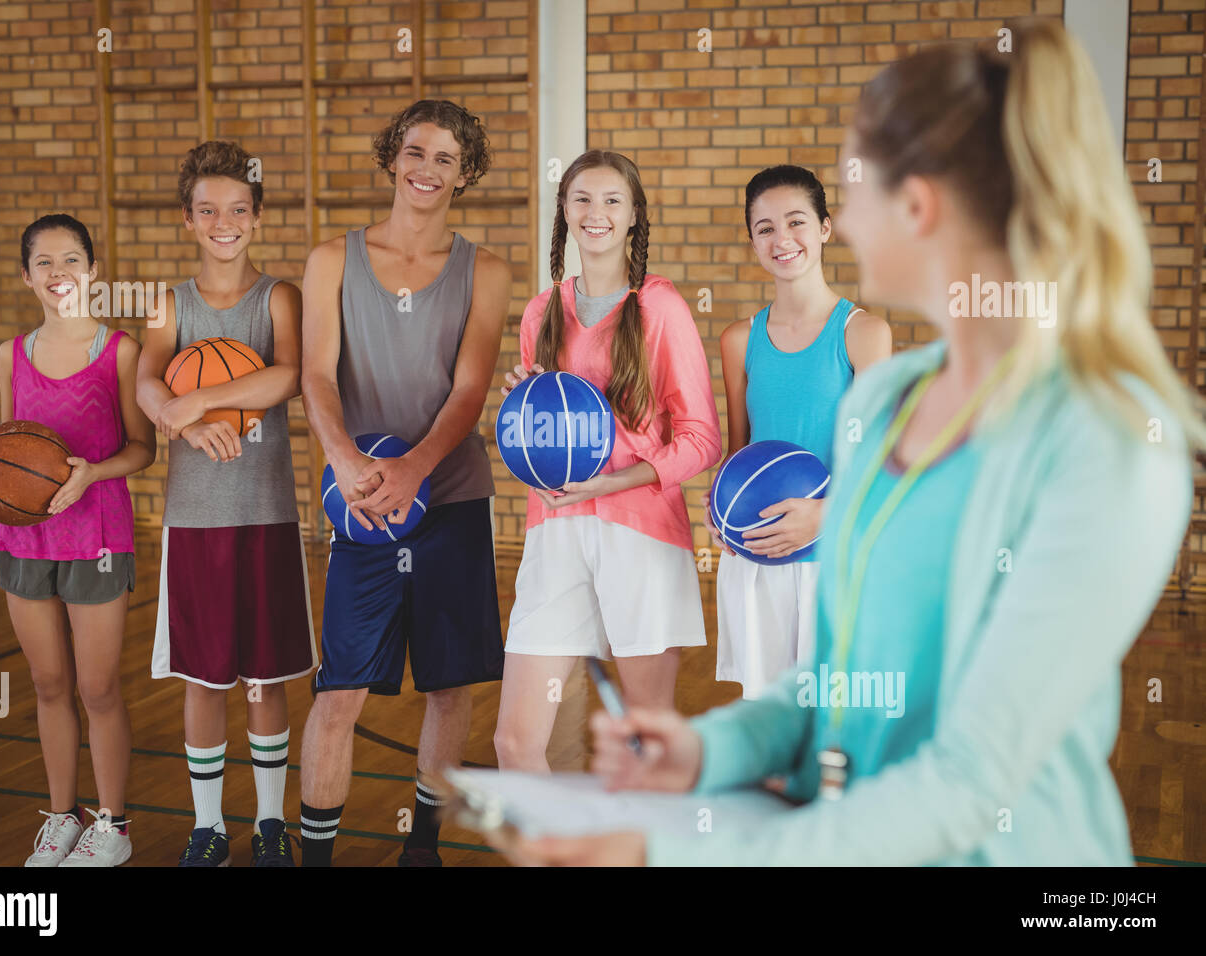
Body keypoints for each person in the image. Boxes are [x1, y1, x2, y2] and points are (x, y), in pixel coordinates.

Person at [500, 18, 1202, 866]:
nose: (812, 227)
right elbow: (845, 679)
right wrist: (713, 752)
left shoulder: (1107, 441)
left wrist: (676, 854)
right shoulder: (900, 397)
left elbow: (974, 773)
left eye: (846, 189)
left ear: (918, 204)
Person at [298, 99, 510, 867]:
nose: (427, 169)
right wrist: (346, 462)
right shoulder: (332, 260)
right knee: (339, 694)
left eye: (447, 159)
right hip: (361, 506)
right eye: (416, 152)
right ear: (393, 157)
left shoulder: (485, 270)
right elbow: (315, 373)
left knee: (450, 687)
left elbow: (469, 390)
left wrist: (414, 469)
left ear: (466, 174)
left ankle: (421, 849)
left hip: (449, 498)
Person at [493, 149, 722, 772]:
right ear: (564, 212)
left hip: (640, 535)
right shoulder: (541, 311)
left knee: (646, 745)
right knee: (514, 743)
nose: (596, 213)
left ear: (633, 217)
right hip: (554, 530)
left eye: (612, 201)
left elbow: (703, 438)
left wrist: (609, 481)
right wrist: (526, 408)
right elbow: (544, 434)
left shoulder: (661, 308)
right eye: (582, 200)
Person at [137, 140, 315, 867]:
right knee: (204, 676)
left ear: (257, 217)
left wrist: (200, 402)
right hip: (196, 518)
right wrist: (176, 411)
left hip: (268, 509)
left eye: (237, 209)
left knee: (265, 676)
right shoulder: (167, 304)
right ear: (188, 219)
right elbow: (148, 385)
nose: (223, 221)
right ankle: (208, 826)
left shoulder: (277, 298)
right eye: (207, 209)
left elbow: (290, 376)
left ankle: (271, 823)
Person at [0, 214, 155, 866]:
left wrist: (92, 472)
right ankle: (62, 818)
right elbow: (3, 451)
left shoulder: (118, 352)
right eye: (44, 262)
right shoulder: (9, 356)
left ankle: (114, 827)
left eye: (71, 260)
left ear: (92, 271)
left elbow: (142, 449)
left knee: (97, 689)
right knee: (47, 684)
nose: (58, 273)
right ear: (26, 276)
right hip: (24, 542)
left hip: (98, 535)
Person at [707, 165, 890, 699]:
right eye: (764, 228)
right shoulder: (739, 340)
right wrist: (720, 509)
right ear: (752, 242)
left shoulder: (864, 335)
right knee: (768, 724)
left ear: (826, 228)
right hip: (759, 556)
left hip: (834, 558)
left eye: (796, 222)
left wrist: (824, 514)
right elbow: (738, 452)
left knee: (832, 728)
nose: (781, 239)